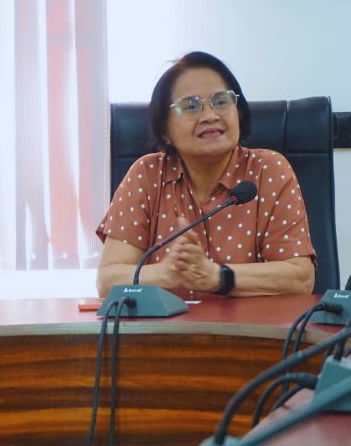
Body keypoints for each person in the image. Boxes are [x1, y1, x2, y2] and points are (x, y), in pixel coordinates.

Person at [96, 52, 315, 300]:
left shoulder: (268, 171)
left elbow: (301, 277)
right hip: (166, 335)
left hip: (252, 334)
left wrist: (218, 276)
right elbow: (108, 280)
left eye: (221, 102)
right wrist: (165, 274)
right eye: (190, 106)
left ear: (239, 113)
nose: (210, 115)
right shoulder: (147, 175)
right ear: (165, 131)